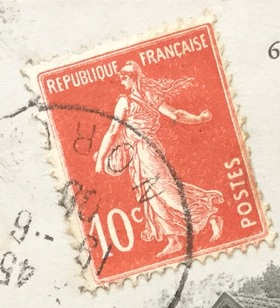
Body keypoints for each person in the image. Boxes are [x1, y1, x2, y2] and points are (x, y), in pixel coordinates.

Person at [93, 61, 225, 258]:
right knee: (151, 196)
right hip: (138, 153)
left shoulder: (127, 102)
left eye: (124, 78)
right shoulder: (147, 97)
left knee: (168, 193)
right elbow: (176, 115)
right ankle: (173, 239)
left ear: (133, 78)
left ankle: (211, 216)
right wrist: (198, 119)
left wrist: (100, 159)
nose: (122, 82)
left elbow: (114, 131)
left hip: (146, 150)